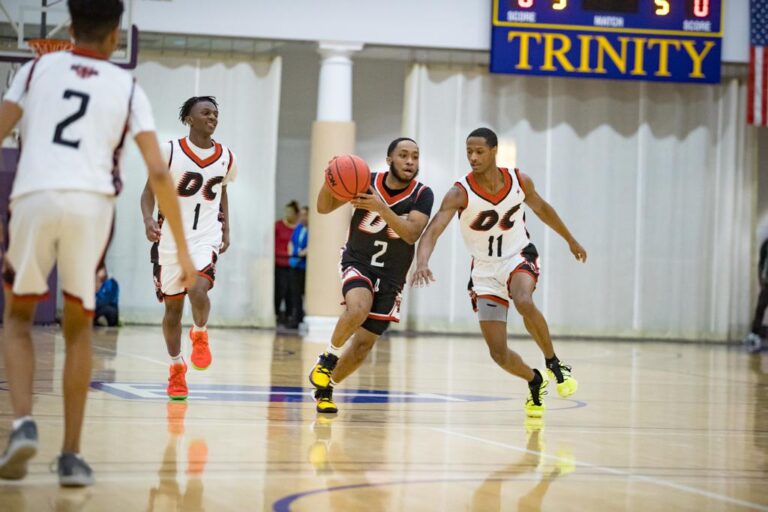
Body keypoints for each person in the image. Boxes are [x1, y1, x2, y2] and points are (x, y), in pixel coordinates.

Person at [0, 0, 195, 487]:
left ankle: (23, 422)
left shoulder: (36, 68)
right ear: (116, 36)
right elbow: (156, 171)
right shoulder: (127, 86)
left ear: (69, 24)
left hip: (33, 196)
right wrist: (186, 254)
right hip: (90, 206)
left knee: (19, 318)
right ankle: (70, 454)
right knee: (79, 329)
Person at [411, 127, 586, 418]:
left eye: (479, 151)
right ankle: (535, 379)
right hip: (484, 272)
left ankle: (554, 363)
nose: (473, 157)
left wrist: (570, 240)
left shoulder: (519, 181)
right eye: (469, 151)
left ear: (494, 151)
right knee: (498, 353)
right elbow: (432, 232)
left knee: (523, 299)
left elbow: (543, 210)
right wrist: (423, 262)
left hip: (517, 256)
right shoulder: (459, 192)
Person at [308, 138, 434, 413]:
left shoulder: (422, 194)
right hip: (359, 260)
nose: (410, 161)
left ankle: (325, 386)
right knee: (358, 308)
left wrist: (381, 208)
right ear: (389, 159)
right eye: (403, 155)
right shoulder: (365, 181)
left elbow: (412, 233)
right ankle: (327, 358)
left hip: (392, 275)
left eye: (415, 156)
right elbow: (323, 207)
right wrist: (330, 178)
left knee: (364, 345)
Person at [141, 96, 237, 400]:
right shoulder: (169, 151)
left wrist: (227, 228)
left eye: (216, 114)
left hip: (205, 235)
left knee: (198, 288)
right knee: (172, 310)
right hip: (169, 239)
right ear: (189, 118)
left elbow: (222, 191)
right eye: (205, 112)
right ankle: (176, 369)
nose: (212, 117)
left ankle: (200, 333)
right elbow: (148, 193)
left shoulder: (227, 157)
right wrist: (147, 219)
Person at [275, 201, 299, 326]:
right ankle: (277, 314)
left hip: (293, 264)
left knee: (291, 292)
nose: (287, 214)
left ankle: (290, 316)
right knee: (279, 291)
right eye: (286, 211)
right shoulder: (278, 225)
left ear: (296, 214)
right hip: (279, 263)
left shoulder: (299, 228)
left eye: (290, 212)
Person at [745, 238, 768, 353]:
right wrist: (760, 279)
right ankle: (754, 335)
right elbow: (761, 262)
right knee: (760, 308)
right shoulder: (766, 244)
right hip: (767, 284)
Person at [287, 206, 309, 329]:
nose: (302, 217)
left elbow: (311, 245)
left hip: (303, 265)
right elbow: (291, 242)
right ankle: (296, 317)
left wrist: (303, 253)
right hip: (294, 263)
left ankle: (302, 317)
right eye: (301, 214)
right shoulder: (299, 228)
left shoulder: (312, 229)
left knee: (302, 293)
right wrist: (291, 252)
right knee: (294, 293)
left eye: (305, 214)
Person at [94, 262, 119, 327]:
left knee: (109, 311)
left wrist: (97, 290)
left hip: (109, 309)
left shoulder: (112, 283)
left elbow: (107, 299)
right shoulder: (96, 282)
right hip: (98, 308)